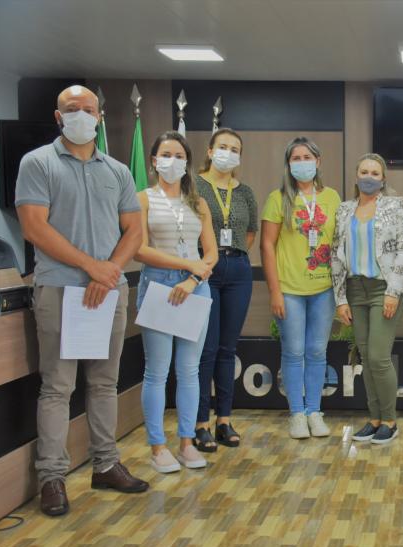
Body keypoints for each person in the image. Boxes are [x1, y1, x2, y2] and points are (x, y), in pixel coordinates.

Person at [16, 84, 149, 516]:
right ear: (58, 117)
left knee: (105, 382)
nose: (81, 115)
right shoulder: (37, 163)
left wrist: (109, 271)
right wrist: (93, 267)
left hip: (109, 290)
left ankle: (105, 464)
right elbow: (34, 228)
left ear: (100, 116)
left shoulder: (118, 171)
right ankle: (52, 477)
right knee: (58, 386)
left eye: (88, 109)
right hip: (60, 289)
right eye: (72, 109)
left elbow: (134, 231)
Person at [134, 131, 217, 473]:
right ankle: (157, 447)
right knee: (157, 371)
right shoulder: (143, 199)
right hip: (158, 286)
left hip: (195, 287)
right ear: (154, 161)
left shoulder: (198, 203)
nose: (173, 161)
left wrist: (193, 278)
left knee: (189, 370)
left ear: (187, 163)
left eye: (179, 155)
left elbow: (210, 253)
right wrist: (186, 265)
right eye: (166, 155)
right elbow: (140, 249)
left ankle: (186, 443)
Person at [261, 137, 340, 439]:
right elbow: (267, 246)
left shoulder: (332, 197)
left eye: (307, 157)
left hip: (324, 289)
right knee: (294, 352)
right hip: (290, 289)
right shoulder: (277, 198)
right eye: (296, 158)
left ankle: (314, 411)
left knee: (317, 351)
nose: (302, 162)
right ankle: (296, 413)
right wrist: (275, 291)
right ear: (288, 164)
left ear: (318, 161)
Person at [331, 154, 403, 444]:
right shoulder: (344, 210)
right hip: (355, 290)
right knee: (366, 358)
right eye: (364, 172)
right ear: (356, 177)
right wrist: (340, 299)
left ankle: (389, 420)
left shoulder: (395, 206)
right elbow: (336, 255)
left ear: (383, 178)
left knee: (378, 357)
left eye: (375, 173)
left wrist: (393, 291)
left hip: (383, 289)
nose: (369, 177)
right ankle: (375, 418)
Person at [194, 128, 258, 452]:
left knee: (227, 349)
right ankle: (200, 423)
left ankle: (224, 420)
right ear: (209, 151)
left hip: (238, 270)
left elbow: (250, 232)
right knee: (206, 348)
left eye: (235, 149)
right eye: (223, 147)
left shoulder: (244, 192)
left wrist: (233, 256)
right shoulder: (194, 186)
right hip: (204, 269)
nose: (228, 153)